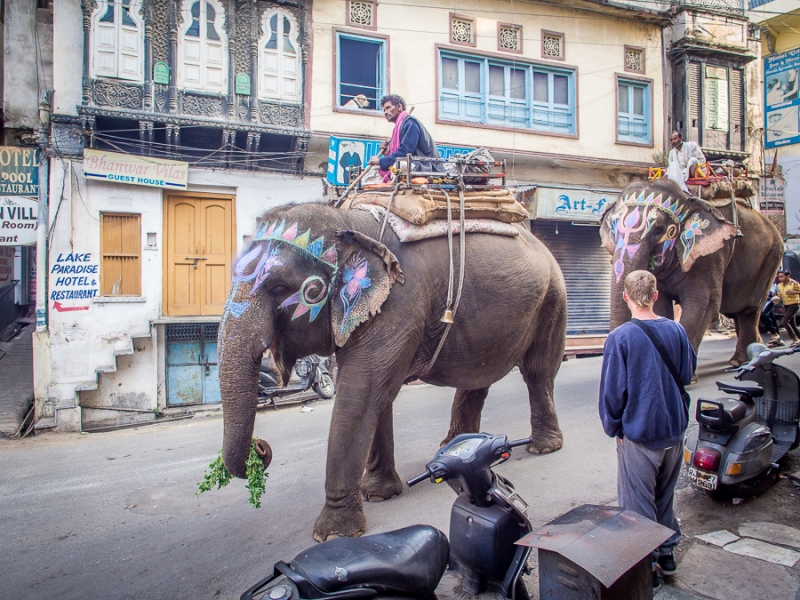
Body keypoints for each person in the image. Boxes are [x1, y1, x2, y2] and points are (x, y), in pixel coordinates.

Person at [598, 270, 697, 591]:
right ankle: (667, 553)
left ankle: (648, 567)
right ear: (656, 296)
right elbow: (686, 373)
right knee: (664, 497)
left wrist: (615, 428)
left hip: (640, 435)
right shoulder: (676, 331)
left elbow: (613, 394)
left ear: (625, 297)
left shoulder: (620, 338)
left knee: (637, 507)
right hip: (673, 430)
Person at [368, 94, 442, 182]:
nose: (385, 112)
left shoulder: (411, 123)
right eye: (384, 110)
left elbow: (405, 152)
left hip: (425, 166)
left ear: (399, 107)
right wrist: (388, 153)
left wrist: (381, 161)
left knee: (399, 166)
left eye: (388, 108)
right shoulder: (400, 126)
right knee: (370, 173)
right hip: (412, 164)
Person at [776, 270, 800, 347]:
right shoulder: (779, 285)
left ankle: (794, 339)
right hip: (786, 304)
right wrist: (776, 296)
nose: (780, 278)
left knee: (784, 321)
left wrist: (793, 292)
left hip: (794, 304)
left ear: (788, 276)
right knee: (792, 323)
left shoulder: (794, 283)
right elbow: (779, 296)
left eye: (782, 277)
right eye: (779, 277)